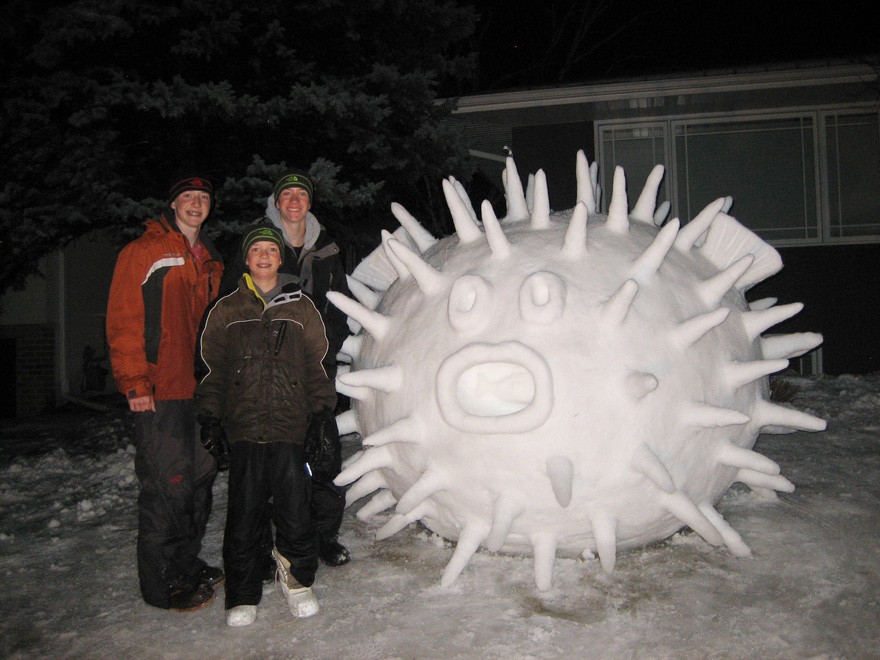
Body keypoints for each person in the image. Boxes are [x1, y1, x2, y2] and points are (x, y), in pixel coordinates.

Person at [195, 226, 338, 627]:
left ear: (280, 259)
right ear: (246, 259)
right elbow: (211, 371)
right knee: (244, 514)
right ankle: (242, 593)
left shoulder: (302, 307)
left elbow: (318, 366)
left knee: (296, 511)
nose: (263, 256)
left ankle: (297, 581)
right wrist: (210, 417)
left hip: (291, 427)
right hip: (244, 428)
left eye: (270, 250)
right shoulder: (225, 309)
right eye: (256, 249)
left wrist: (321, 416)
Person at [220, 169, 352, 569]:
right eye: (287, 194)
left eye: (301, 194)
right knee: (264, 459)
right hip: (265, 372)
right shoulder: (257, 242)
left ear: (309, 203)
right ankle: (261, 545)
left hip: (314, 366)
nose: (294, 201)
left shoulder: (327, 247)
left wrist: (326, 349)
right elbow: (231, 304)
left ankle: (323, 533)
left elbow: (339, 305)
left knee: (322, 451)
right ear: (276, 202)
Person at [106, 175, 225, 611]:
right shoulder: (143, 252)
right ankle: (162, 585)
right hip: (159, 389)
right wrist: (135, 382)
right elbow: (123, 320)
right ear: (173, 204)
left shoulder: (210, 259)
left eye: (203, 197)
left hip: (200, 390)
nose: (196, 203)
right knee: (167, 485)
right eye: (187, 197)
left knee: (200, 479)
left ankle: (185, 564)